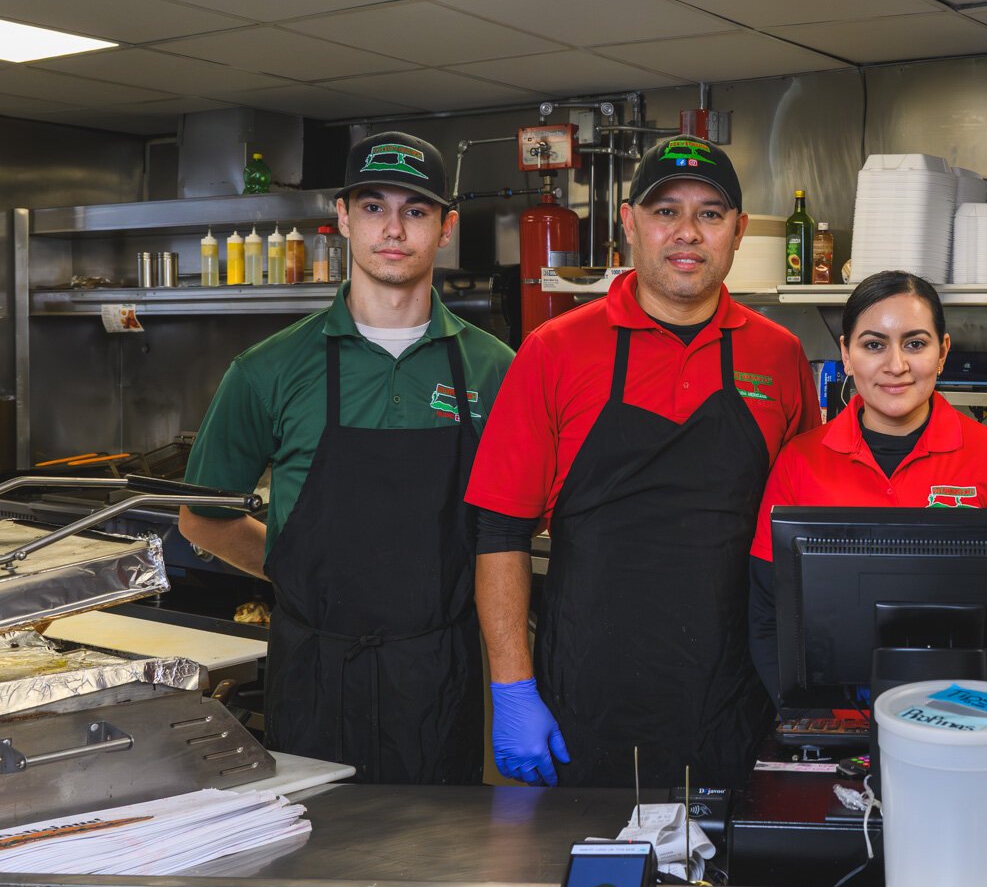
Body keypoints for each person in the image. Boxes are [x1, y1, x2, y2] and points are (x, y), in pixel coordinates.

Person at [467, 136, 820, 788]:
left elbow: (802, 533)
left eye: (710, 214)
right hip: (591, 705)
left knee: (730, 886)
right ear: (629, 222)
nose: (688, 233)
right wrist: (513, 687)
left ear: (738, 232)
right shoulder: (554, 351)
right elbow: (500, 529)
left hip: (736, 705)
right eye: (666, 212)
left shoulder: (780, 357)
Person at [180, 131, 515, 784]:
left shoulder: (494, 370)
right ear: (341, 219)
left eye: (416, 211)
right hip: (313, 671)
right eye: (372, 207)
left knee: (439, 865)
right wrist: (303, 575)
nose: (393, 228)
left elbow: (510, 526)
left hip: (440, 673)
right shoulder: (268, 369)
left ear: (444, 228)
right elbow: (201, 517)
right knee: (311, 864)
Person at [748, 270, 987, 702]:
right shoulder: (799, 460)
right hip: (835, 722)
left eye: (915, 344)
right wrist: (812, 718)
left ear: (942, 353)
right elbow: (767, 613)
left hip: (964, 720)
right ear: (846, 355)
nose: (896, 365)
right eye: (873, 345)